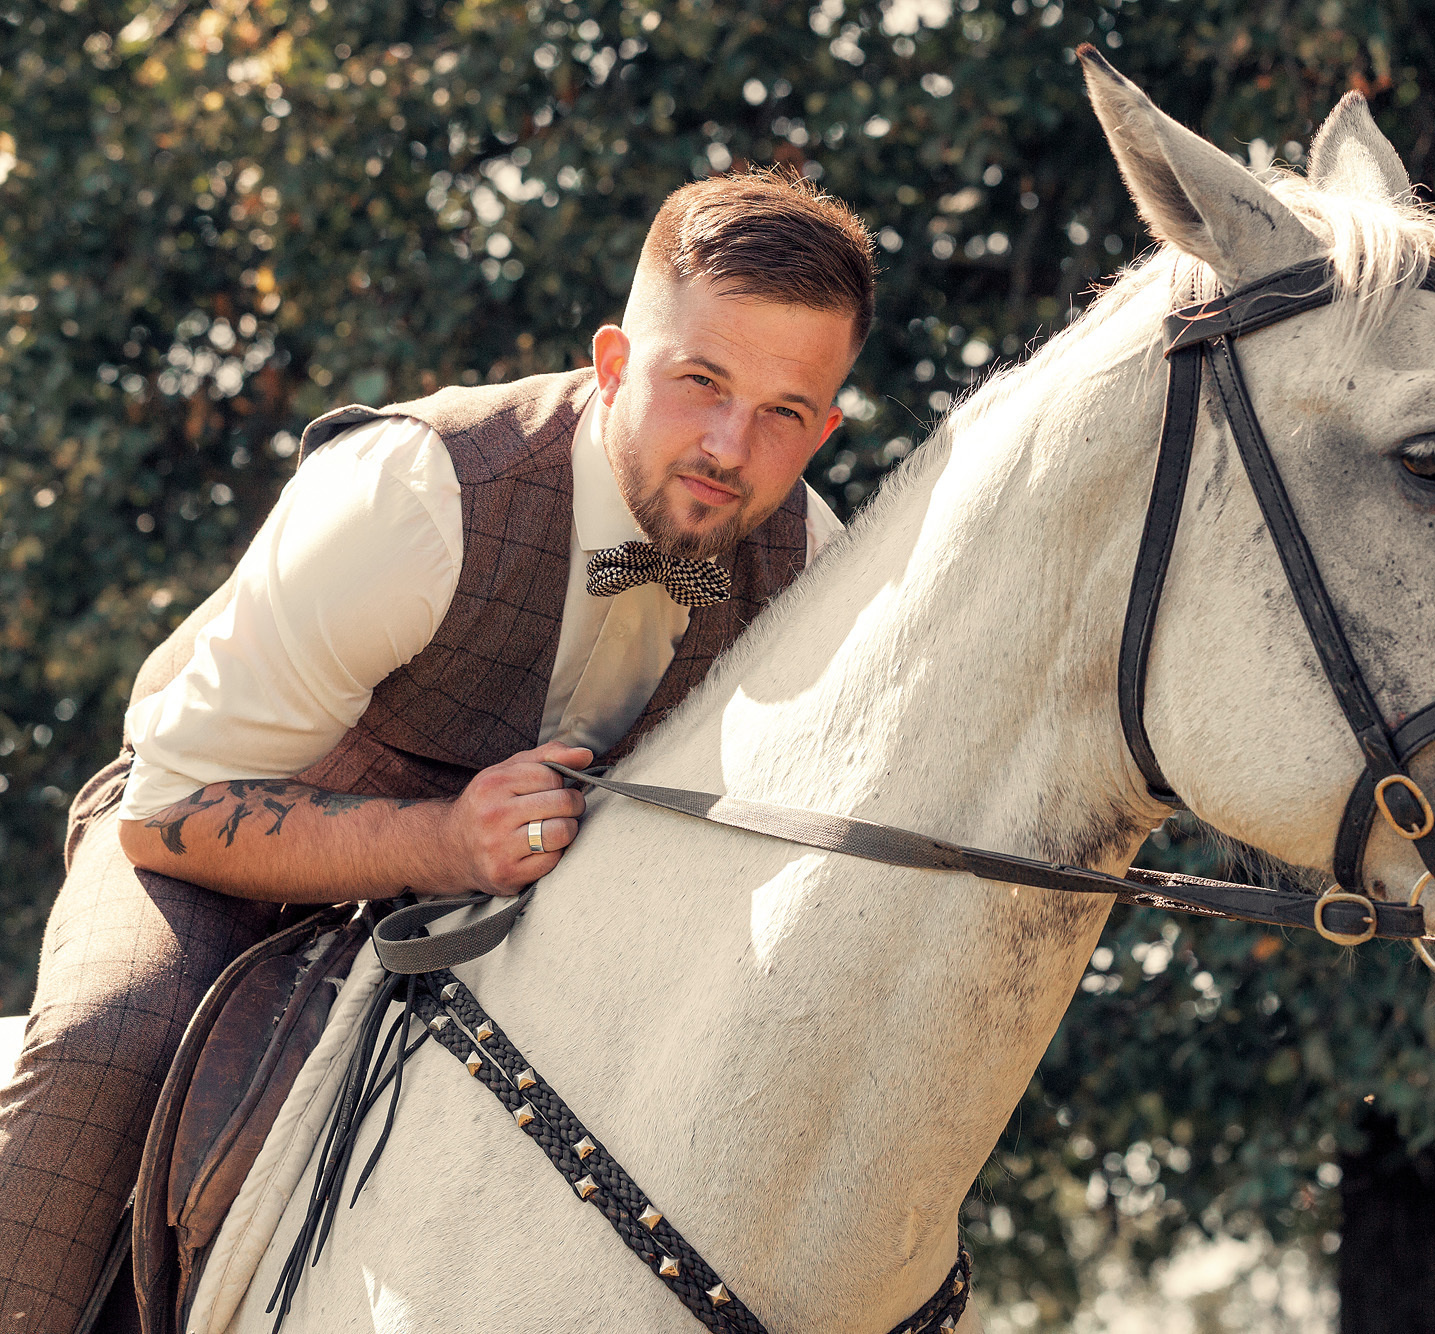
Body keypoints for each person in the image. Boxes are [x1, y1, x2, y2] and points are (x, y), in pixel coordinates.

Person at [0, 168, 874, 1331]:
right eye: (700, 382)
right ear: (614, 362)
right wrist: (446, 840)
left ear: (825, 428)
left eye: (782, 412)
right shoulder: (417, 494)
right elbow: (166, 810)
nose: (729, 444)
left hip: (524, 920)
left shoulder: (812, 568)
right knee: (108, 1043)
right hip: (212, 846)